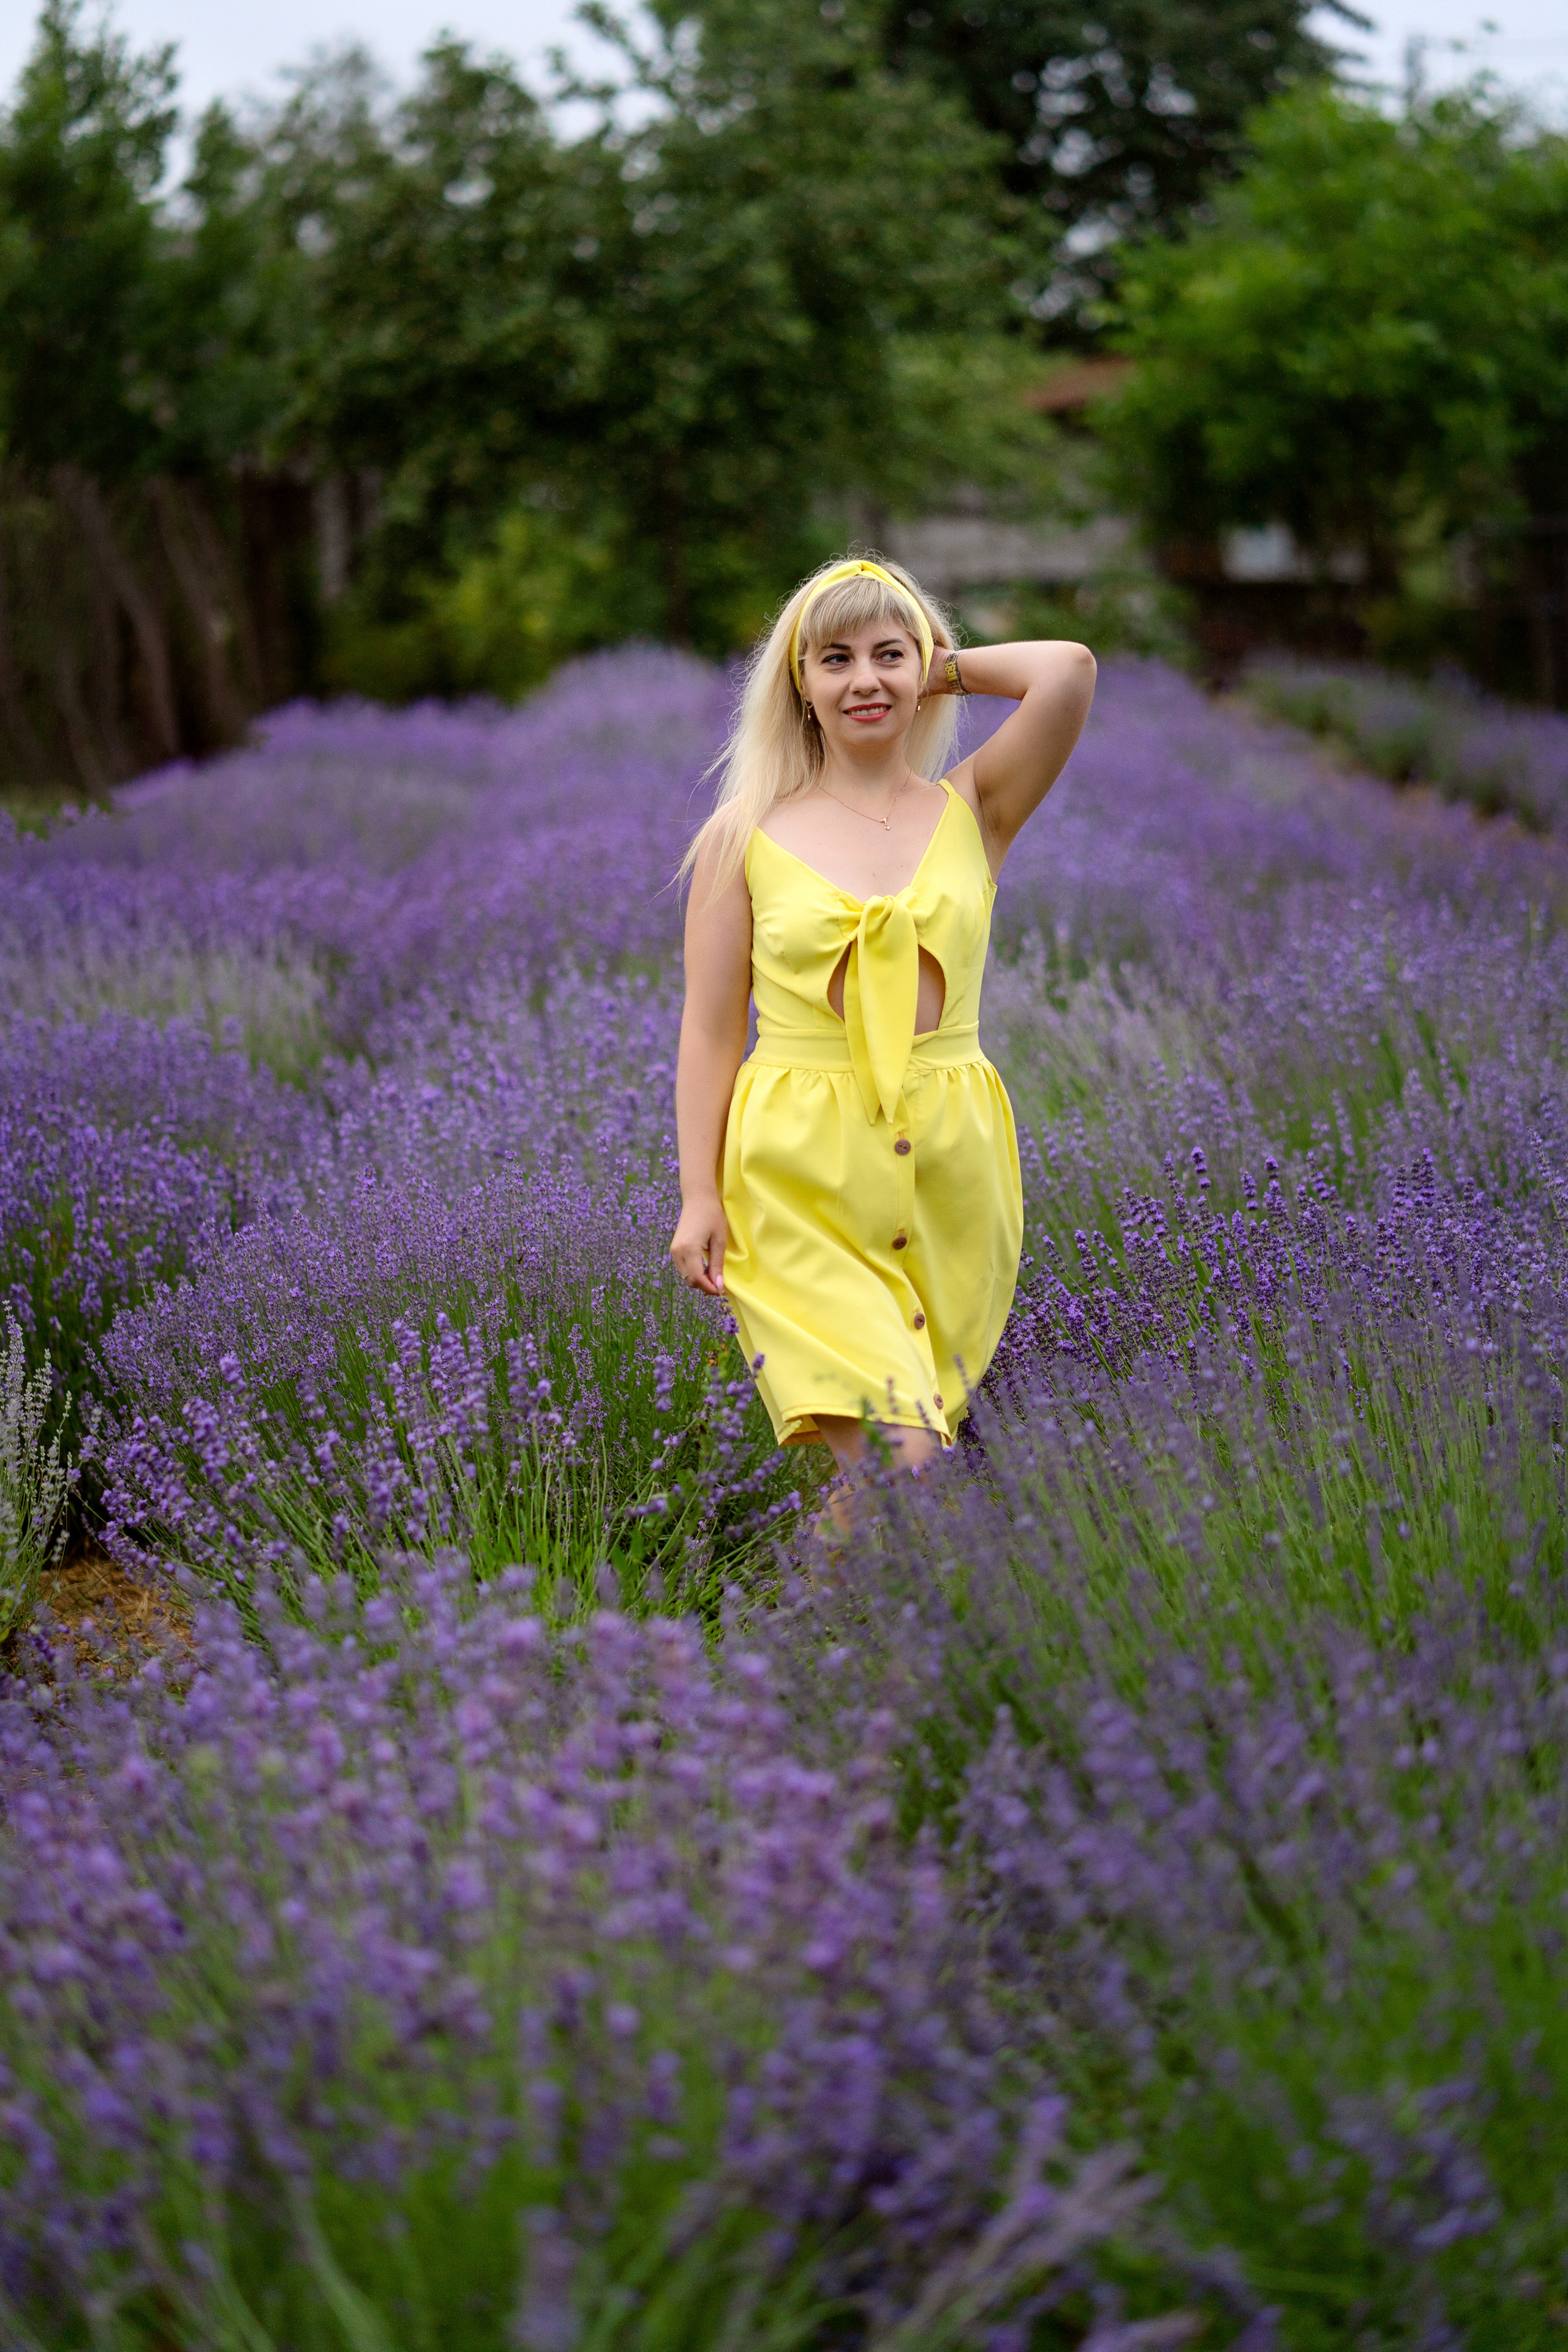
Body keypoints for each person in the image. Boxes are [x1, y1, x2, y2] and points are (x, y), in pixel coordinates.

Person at [670, 555, 1095, 1490]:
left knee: (907, 1467)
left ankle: (814, 1633)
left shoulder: (975, 806)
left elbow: (1066, 669)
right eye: (835, 660)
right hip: (798, 1175)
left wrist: (936, 666)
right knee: (902, 1456)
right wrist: (699, 1194)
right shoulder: (742, 836)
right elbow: (709, 1030)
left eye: (887, 655)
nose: (864, 679)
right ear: (800, 684)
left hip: (952, 1169)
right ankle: (801, 1634)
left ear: (925, 665)